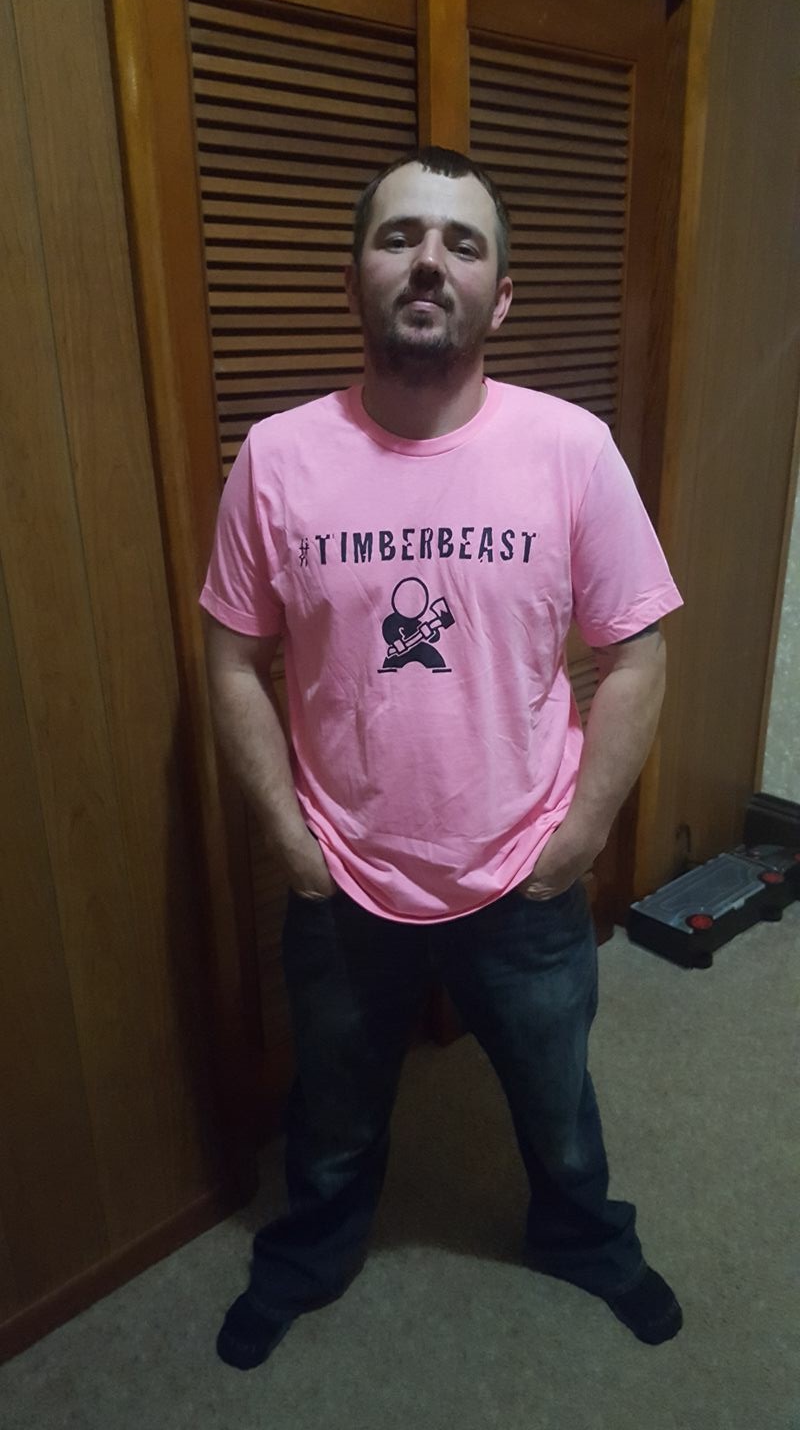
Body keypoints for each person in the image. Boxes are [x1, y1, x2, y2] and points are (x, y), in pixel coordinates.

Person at [200, 146, 685, 1372]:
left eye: (461, 244)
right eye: (398, 236)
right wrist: (288, 841)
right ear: (354, 278)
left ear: (499, 295)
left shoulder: (571, 449)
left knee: (556, 1100)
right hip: (340, 879)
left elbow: (635, 654)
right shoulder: (276, 457)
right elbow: (231, 660)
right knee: (330, 1111)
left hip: (522, 872)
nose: (428, 261)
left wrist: (579, 837)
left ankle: (583, 1239)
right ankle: (307, 1257)